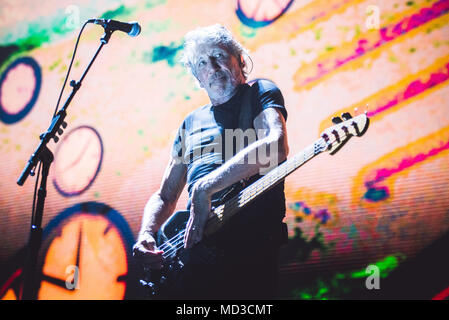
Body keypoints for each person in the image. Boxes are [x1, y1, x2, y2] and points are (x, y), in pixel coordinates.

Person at [133, 24, 289, 299]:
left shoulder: (258, 93)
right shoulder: (190, 122)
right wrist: (147, 232)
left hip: (249, 248)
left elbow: (275, 147)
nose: (213, 67)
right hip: (194, 259)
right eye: (202, 62)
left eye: (219, 55)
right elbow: (166, 195)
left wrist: (205, 188)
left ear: (240, 60)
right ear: (197, 77)